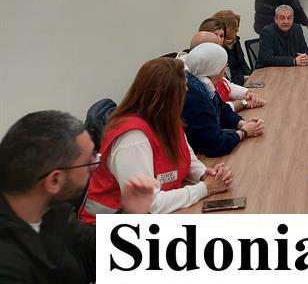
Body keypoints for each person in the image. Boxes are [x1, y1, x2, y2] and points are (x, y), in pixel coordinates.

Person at [0, 110, 157, 283]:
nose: (95, 166)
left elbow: (94, 251)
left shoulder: (52, 210)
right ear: (54, 180)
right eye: (89, 162)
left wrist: (132, 216)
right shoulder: (8, 264)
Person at [80, 57, 233, 223]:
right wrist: (204, 188)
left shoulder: (167, 119)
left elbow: (187, 158)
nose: (187, 91)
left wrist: (205, 175)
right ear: (165, 98)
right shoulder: (133, 139)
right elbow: (150, 204)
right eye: (182, 90)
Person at [183, 43, 265, 157]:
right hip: (202, 157)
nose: (225, 69)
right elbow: (215, 144)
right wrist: (244, 132)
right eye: (224, 65)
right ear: (214, 69)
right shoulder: (193, 97)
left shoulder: (201, 83)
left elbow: (223, 110)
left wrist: (242, 123)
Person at [213, 9, 252, 86]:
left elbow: (243, 64)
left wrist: (252, 76)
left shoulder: (236, 40)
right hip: (232, 85)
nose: (237, 29)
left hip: (244, 83)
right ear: (226, 29)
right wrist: (244, 78)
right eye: (234, 27)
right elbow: (226, 77)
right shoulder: (217, 48)